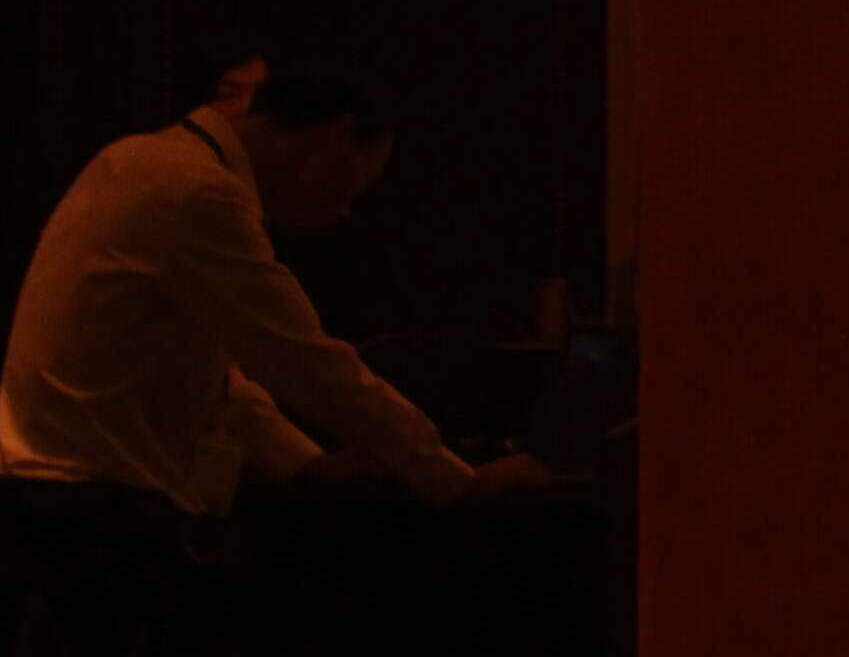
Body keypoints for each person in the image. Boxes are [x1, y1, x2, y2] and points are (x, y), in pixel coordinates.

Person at [1, 60, 528, 516]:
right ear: (338, 134)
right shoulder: (196, 191)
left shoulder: (139, 160)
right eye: (351, 186)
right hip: (92, 509)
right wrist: (455, 479)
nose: (343, 211)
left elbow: (219, 379)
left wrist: (305, 463)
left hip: (51, 494)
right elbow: (302, 360)